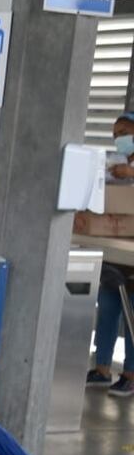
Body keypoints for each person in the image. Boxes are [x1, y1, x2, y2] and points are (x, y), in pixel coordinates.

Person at [85, 113, 134, 395]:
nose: (119, 139)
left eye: (124, 133)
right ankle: (102, 367)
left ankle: (130, 373)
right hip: (114, 249)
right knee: (107, 309)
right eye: (115, 134)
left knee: (132, 316)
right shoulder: (115, 164)